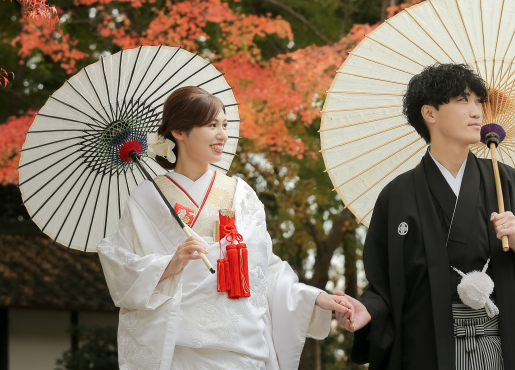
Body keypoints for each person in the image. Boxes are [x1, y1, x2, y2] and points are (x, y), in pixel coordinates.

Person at [98, 86, 352, 370]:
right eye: (211, 125)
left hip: (241, 343)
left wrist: (316, 297)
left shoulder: (240, 194)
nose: (222, 134)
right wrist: (170, 263)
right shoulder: (147, 197)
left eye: (224, 125)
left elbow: (263, 270)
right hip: (179, 347)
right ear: (179, 132)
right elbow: (119, 264)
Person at [334, 63, 515, 370]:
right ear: (429, 113)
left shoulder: (506, 181)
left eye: (477, 102)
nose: (476, 112)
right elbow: (384, 284)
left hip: (500, 340)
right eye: (462, 100)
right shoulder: (397, 194)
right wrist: (367, 309)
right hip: (427, 347)